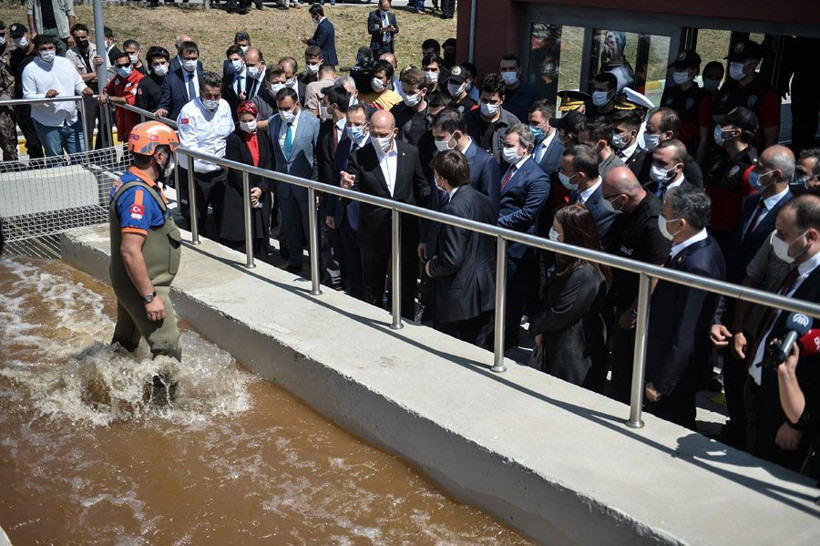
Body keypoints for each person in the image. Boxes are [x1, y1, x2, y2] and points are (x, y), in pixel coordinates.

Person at [710, 145, 794, 448]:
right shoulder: (754, 202)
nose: (753, 171)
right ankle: (736, 426)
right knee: (732, 368)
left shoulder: (792, 211)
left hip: (765, 309)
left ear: (778, 174)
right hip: (738, 298)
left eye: (760, 167)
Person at [745, 195, 820, 469]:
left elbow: (814, 368)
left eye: (784, 234)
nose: (776, 239)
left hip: (787, 411)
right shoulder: (799, 270)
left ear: (810, 236)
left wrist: (796, 424)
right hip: (764, 393)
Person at [645, 185, 725, 429]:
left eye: (665, 213)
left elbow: (687, 333)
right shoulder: (695, 248)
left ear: (680, 223)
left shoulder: (696, 265)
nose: (661, 218)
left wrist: (662, 382)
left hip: (674, 378)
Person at [340, 110, 430, 318]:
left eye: (383, 134)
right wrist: (345, 188)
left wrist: (439, 197)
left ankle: (404, 322)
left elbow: (421, 187)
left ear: (394, 132)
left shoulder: (411, 152)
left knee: (405, 286)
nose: (378, 139)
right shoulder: (360, 157)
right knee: (372, 286)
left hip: (405, 230)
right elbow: (351, 195)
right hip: (373, 233)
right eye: (374, 133)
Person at [108, 121, 182, 362]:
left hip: (135, 282)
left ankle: (106, 393)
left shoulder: (134, 182)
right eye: (170, 153)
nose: (172, 159)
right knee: (168, 349)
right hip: (145, 285)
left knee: (125, 345)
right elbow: (130, 251)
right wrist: (149, 297)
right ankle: (163, 401)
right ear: (159, 156)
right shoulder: (137, 194)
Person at [602, 166, 669, 398]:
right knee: (619, 362)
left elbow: (657, 271)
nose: (605, 203)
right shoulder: (628, 210)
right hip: (621, 297)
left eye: (607, 199)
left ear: (623, 198)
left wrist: (634, 310)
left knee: (630, 366)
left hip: (637, 309)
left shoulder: (653, 220)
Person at [530, 204, 610, 385]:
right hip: (561, 343)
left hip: (573, 350)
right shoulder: (571, 261)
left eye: (558, 231)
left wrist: (537, 327)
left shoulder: (586, 272)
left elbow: (562, 311)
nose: (554, 235)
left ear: (574, 234)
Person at [425, 150, 496, 348]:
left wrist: (431, 267)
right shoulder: (483, 199)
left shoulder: (453, 208)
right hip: (484, 291)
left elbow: (452, 259)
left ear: (443, 179)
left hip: (461, 299)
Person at [496, 124, 549, 348]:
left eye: (509, 146)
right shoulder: (504, 168)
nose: (504, 149)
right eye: (504, 145)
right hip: (499, 243)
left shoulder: (537, 178)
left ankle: (505, 342)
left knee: (511, 300)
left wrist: (494, 223)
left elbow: (527, 214)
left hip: (517, 248)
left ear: (525, 148)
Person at [268, 87, 321, 273]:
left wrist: (316, 186)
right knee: (290, 226)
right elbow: (274, 154)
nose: (284, 113)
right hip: (284, 185)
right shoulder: (274, 122)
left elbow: (317, 157)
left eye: (287, 108)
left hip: (306, 186)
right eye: (280, 108)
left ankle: (316, 265)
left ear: (297, 104)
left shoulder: (313, 123)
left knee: (310, 228)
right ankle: (295, 261)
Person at [176, 71, 234, 238]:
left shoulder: (224, 106)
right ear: (200, 92)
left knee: (223, 216)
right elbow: (190, 147)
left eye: (217, 95)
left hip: (221, 173)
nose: (213, 100)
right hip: (196, 175)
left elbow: (229, 133)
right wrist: (218, 161)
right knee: (196, 219)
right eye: (208, 95)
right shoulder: (189, 112)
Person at [325, 103, 371, 299]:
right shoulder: (344, 145)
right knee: (351, 261)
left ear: (367, 125)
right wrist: (330, 211)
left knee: (368, 264)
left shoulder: (373, 148)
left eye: (358, 124)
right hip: (344, 213)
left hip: (366, 216)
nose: (353, 128)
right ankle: (356, 294)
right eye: (349, 124)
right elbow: (334, 178)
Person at [22, 34, 93, 157]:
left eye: (50, 48)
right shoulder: (30, 70)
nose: (48, 51)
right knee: (55, 159)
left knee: (80, 157)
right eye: (44, 49)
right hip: (48, 123)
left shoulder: (65, 62)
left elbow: (78, 82)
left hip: (72, 120)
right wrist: (45, 96)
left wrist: (84, 89)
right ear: (37, 51)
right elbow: (27, 96)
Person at [221, 101, 274, 259]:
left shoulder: (263, 136)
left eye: (250, 120)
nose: (248, 124)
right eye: (244, 121)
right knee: (244, 231)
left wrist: (261, 189)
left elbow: (269, 163)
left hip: (260, 190)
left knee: (262, 228)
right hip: (241, 192)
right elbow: (236, 170)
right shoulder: (234, 139)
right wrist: (251, 191)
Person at [704, 106, 759, 252]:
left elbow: (746, 215)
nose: (718, 128)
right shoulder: (720, 157)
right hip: (707, 230)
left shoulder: (750, 169)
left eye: (723, 125)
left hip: (727, 240)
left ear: (736, 132)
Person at [715, 38, 780, 151]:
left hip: (749, 154)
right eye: (733, 61)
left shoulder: (766, 94)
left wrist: (762, 166)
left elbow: (771, 138)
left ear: (754, 63)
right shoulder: (728, 86)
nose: (734, 65)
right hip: (723, 150)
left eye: (739, 62)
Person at [560, 145, 615, 241]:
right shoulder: (577, 190)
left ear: (580, 176)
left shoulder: (606, 209)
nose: (560, 173)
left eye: (564, 171)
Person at [638, 107, 704, 188]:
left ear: (668, 135)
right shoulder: (649, 157)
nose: (646, 134)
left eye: (650, 131)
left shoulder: (690, 168)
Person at [661, 50, 709, 158]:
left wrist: (698, 163)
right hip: (666, 147)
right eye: (677, 68)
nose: (677, 72)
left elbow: (704, 136)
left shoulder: (701, 97)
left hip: (687, 152)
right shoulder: (669, 92)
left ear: (693, 72)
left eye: (681, 69)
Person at [465, 73, 520, 161]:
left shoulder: (512, 123)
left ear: (502, 99)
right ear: (479, 97)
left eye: (493, 101)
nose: (488, 105)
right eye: (484, 100)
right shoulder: (466, 120)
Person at [65, 23, 103, 150]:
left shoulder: (99, 49)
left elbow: (106, 74)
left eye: (83, 37)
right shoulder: (70, 54)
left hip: (101, 90)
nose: (81, 40)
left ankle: (101, 154)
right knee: (88, 128)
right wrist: (96, 74)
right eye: (77, 38)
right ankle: (88, 155)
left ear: (88, 36)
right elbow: (74, 78)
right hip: (85, 94)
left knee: (105, 126)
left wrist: (86, 76)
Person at [9, 23, 43, 159]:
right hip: (24, 103)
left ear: (28, 34)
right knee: (32, 139)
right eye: (15, 37)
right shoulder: (14, 56)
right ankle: (37, 165)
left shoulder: (41, 51)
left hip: (41, 100)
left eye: (20, 36)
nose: (18, 39)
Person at [100, 52, 144, 144]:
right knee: (126, 153)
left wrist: (108, 99)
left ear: (131, 65)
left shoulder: (139, 78)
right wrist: (106, 94)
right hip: (122, 122)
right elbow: (107, 88)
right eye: (120, 66)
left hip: (135, 123)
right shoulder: (118, 78)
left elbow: (129, 99)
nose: (123, 68)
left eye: (126, 65)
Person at [156, 41, 202, 121]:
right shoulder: (171, 79)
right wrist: (162, 109)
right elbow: (165, 102)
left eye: (194, 58)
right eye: (187, 58)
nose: (191, 61)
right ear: (181, 58)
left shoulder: (203, 77)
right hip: (180, 123)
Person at [390, 68, 430, 147]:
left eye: (411, 93)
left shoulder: (431, 114)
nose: (407, 96)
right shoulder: (396, 111)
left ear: (423, 91)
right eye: (404, 91)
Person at [577, 116, 625, 180]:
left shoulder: (617, 174)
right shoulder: (586, 162)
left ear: (602, 144)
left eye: (585, 145)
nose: (580, 149)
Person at [527, 99, 564, 178]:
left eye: (535, 123)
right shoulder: (530, 142)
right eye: (529, 122)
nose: (531, 126)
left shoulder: (562, 146)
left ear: (550, 121)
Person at [499, 54, 538, 123]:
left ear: (519, 70)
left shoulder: (531, 93)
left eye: (511, 69)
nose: (508, 72)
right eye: (504, 69)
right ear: (500, 71)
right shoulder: (497, 91)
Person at [0, 22, 19, 161]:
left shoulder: (14, 52)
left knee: (7, 134)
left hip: (7, 101)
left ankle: (11, 164)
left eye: (2, 34)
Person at [611, 110, 646, 178]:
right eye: (612, 130)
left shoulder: (643, 160)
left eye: (618, 131)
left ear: (633, 134)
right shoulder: (609, 150)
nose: (613, 134)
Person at [135, 46, 170, 114]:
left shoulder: (174, 80)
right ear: (150, 65)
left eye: (163, 63)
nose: (160, 66)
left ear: (168, 63)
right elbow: (141, 108)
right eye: (156, 64)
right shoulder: (144, 83)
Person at [302, 4, 337, 69]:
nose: (312, 18)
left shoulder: (323, 26)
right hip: (329, 58)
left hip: (325, 59)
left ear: (317, 15)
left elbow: (318, 44)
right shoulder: (328, 24)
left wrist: (308, 41)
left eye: (312, 16)